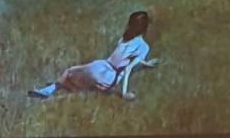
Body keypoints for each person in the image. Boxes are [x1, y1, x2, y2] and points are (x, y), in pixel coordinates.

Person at [28, 10, 159, 101]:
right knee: (77, 83)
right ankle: (59, 92)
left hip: (101, 67)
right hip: (109, 78)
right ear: (145, 28)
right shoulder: (143, 47)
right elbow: (129, 68)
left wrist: (146, 64)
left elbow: (128, 64)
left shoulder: (124, 39)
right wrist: (124, 93)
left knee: (69, 74)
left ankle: (48, 91)